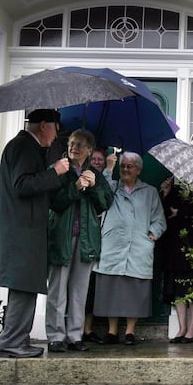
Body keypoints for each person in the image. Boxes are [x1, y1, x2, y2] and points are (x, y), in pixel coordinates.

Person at [0, 109, 69, 358]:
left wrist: (59, 176)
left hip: (25, 231)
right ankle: (11, 342)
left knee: (26, 286)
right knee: (22, 285)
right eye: (56, 128)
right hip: (20, 232)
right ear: (44, 125)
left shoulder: (29, 148)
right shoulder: (22, 147)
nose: (57, 134)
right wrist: (55, 172)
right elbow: (22, 185)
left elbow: (35, 185)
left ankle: (17, 339)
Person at [45, 130, 113, 353]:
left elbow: (105, 203)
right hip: (61, 237)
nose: (74, 147)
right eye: (72, 143)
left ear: (90, 150)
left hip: (86, 240)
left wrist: (93, 188)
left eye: (80, 145)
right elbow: (53, 202)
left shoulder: (96, 175)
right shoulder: (59, 171)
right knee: (58, 288)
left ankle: (75, 335)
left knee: (79, 290)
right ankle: (55, 336)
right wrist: (74, 188)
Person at [93, 152, 166, 346]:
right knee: (112, 288)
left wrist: (153, 233)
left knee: (134, 290)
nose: (125, 169)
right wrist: (108, 170)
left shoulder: (150, 192)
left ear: (138, 170)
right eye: (123, 166)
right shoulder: (113, 187)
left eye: (129, 166)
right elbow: (101, 196)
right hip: (113, 246)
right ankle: (111, 331)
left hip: (138, 247)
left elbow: (159, 218)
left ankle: (130, 332)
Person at [157, 177, 193, 343]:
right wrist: (165, 194)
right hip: (175, 245)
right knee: (178, 288)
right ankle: (181, 328)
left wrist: (180, 213)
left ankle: (192, 329)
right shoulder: (174, 190)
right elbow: (165, 215)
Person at [82, 146, 108, 344]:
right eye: (95, 159)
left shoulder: (103, 182)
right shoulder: (79, 175)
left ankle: (87, 328)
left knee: (90, 288)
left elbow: (105, 202)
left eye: (101, 159)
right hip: (81, 236)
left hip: (98, 241)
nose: (97, 162)